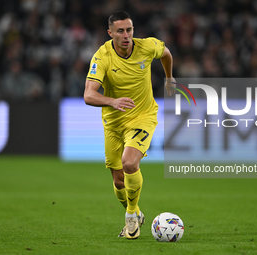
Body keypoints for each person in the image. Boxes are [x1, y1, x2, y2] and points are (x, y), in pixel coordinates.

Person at [84, 11, 174, 239]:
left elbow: (166, 53)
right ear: (110, 33)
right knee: (118, 180)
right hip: (113, 123)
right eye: (121, 31)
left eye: (130, 30)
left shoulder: (146, 46)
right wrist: (112, 101)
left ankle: (131, 217)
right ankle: (135, 210)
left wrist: (169, 77)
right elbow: (88, 96)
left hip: (142, 116)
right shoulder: (102, 57)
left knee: (130, 163)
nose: (126, 35)